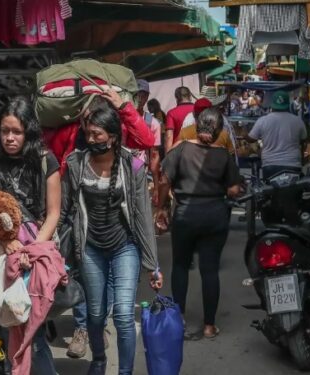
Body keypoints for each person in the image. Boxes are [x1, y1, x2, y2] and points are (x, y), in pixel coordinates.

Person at [61, 98, 162, 375]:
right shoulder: (76, 164)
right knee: (95, 314)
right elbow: (63, 210)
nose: (91, 138)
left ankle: (125, 371)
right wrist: (56, 254)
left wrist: (153, 265)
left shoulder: (133, 167)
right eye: (89, 133)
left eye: (97, 134)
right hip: (90, 248)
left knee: (124, 315)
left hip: (124, 248)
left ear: (113, 137)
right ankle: (99, 360)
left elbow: (142, 217)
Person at [0, 96, 60, 374]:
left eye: (17, 131)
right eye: (4, 131)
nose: (10, 138)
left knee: (30, 325)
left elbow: (53, 213)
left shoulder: (46, 160)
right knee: (5, 320)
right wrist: (6, 242)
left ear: (29, 132)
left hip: (35, 250)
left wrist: (31, 250)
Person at [158, 108, 243, 340]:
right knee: (209, 270)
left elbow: (164, 179)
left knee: (180, 266)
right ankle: (209, 326)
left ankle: (179, 319)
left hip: (185, 216)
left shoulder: (181, 149)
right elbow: (235, 189)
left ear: (197, 126)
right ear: (219, 131)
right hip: (215, 217)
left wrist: (162, 206)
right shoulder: (224, 155)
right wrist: (227, 188)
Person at [247, 91, 307, 178]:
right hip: (293, 164)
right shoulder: (298, 121)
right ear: (287, 105)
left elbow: (251, 139)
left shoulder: (263, 120)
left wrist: (244, 134)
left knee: (270, 190)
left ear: (272, 104)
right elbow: (303, 141)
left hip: (270, 165)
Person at [134, 80, 162, 185]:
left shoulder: (152, 122)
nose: (140, 99)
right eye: (137, 95)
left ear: (147, 98)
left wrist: (155, 185)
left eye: (144, 96)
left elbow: (154, 154)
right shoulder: (120, 118)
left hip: (141, 172)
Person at [165, 87, 194, 151]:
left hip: (178, 151)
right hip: (198, 150)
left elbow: (169, 136)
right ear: (190, 96)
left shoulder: (171, 113)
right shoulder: (197, 110)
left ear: (176, 98)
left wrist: (168, 155)